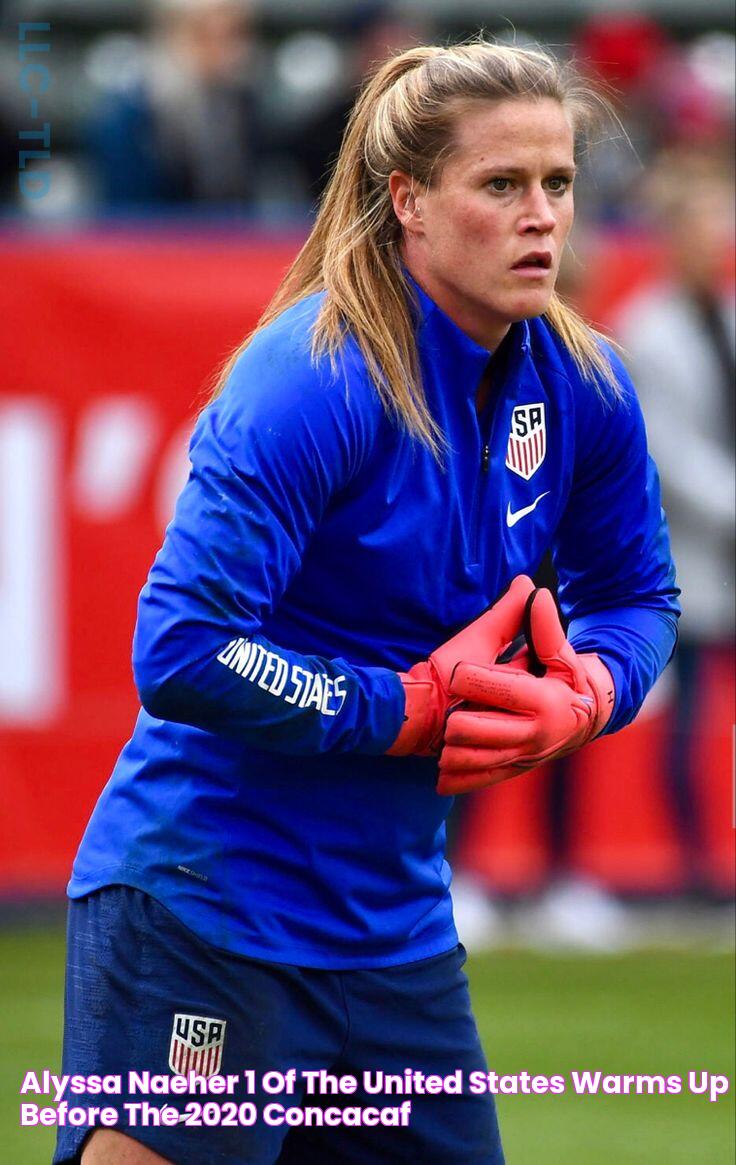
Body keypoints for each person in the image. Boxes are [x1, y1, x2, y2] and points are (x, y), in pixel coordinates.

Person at [55, 41, 679, 1165]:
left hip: (392, 927)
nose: (542, 217)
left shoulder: (585, 384)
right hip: (210, 902)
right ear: (409, 204)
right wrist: (396, 708)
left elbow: (636, 596)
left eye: (559, 182)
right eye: (500, 185)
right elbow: (183, 646)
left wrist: (588, 694)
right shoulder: (312, 376)